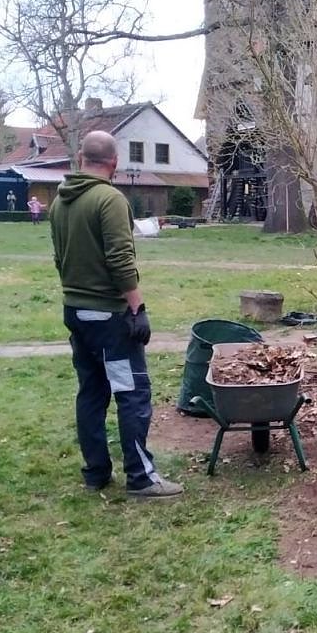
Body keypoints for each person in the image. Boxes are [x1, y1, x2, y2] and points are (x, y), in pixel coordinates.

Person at [49, 130, 183, 498]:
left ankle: (96, 472)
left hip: (76, 311)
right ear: (114, 162)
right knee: (132, 392)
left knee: (91, 392)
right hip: (108, 319)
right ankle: (141, 478)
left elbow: (59, 257)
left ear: (81, 158)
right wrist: (137, 308)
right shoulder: (109, 200)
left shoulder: (60, 201)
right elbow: (120, 259)